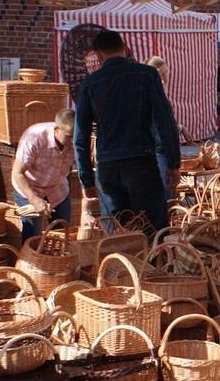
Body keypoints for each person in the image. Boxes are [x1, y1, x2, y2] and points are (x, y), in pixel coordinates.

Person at [74, 31, 180, 235]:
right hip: (142, 162)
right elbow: (165, 121)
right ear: (124, 48)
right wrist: (173, 163)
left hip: (108, 168)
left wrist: (86, 180)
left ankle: (118, 266)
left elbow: (80, 139)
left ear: (98, 54)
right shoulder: (146, 74)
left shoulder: (89, 84)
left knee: (116, 234)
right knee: (153, 231)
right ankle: (153, 266)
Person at [12, 108, 76, 242]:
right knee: (33, 237)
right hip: (30, 186)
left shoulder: (78, 141)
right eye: (68, 136)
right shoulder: (34, 138)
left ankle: (57, 262)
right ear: (56, 129)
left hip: (58, 188)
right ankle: (30, 261)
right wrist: (34, 199)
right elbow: (18, 173)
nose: (72, 141)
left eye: (75, 136)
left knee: (62, 234)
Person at [145, 55, 193, 203]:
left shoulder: (161, 90)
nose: (165, 78)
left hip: (163, 145)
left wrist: (180, 128)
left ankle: (168, 219)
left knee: (169, 188)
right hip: (157, 147)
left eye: (166, 73)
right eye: (161, 74)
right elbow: (153, 123)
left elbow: (164, 121)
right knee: (165, 188)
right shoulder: (147, 92)